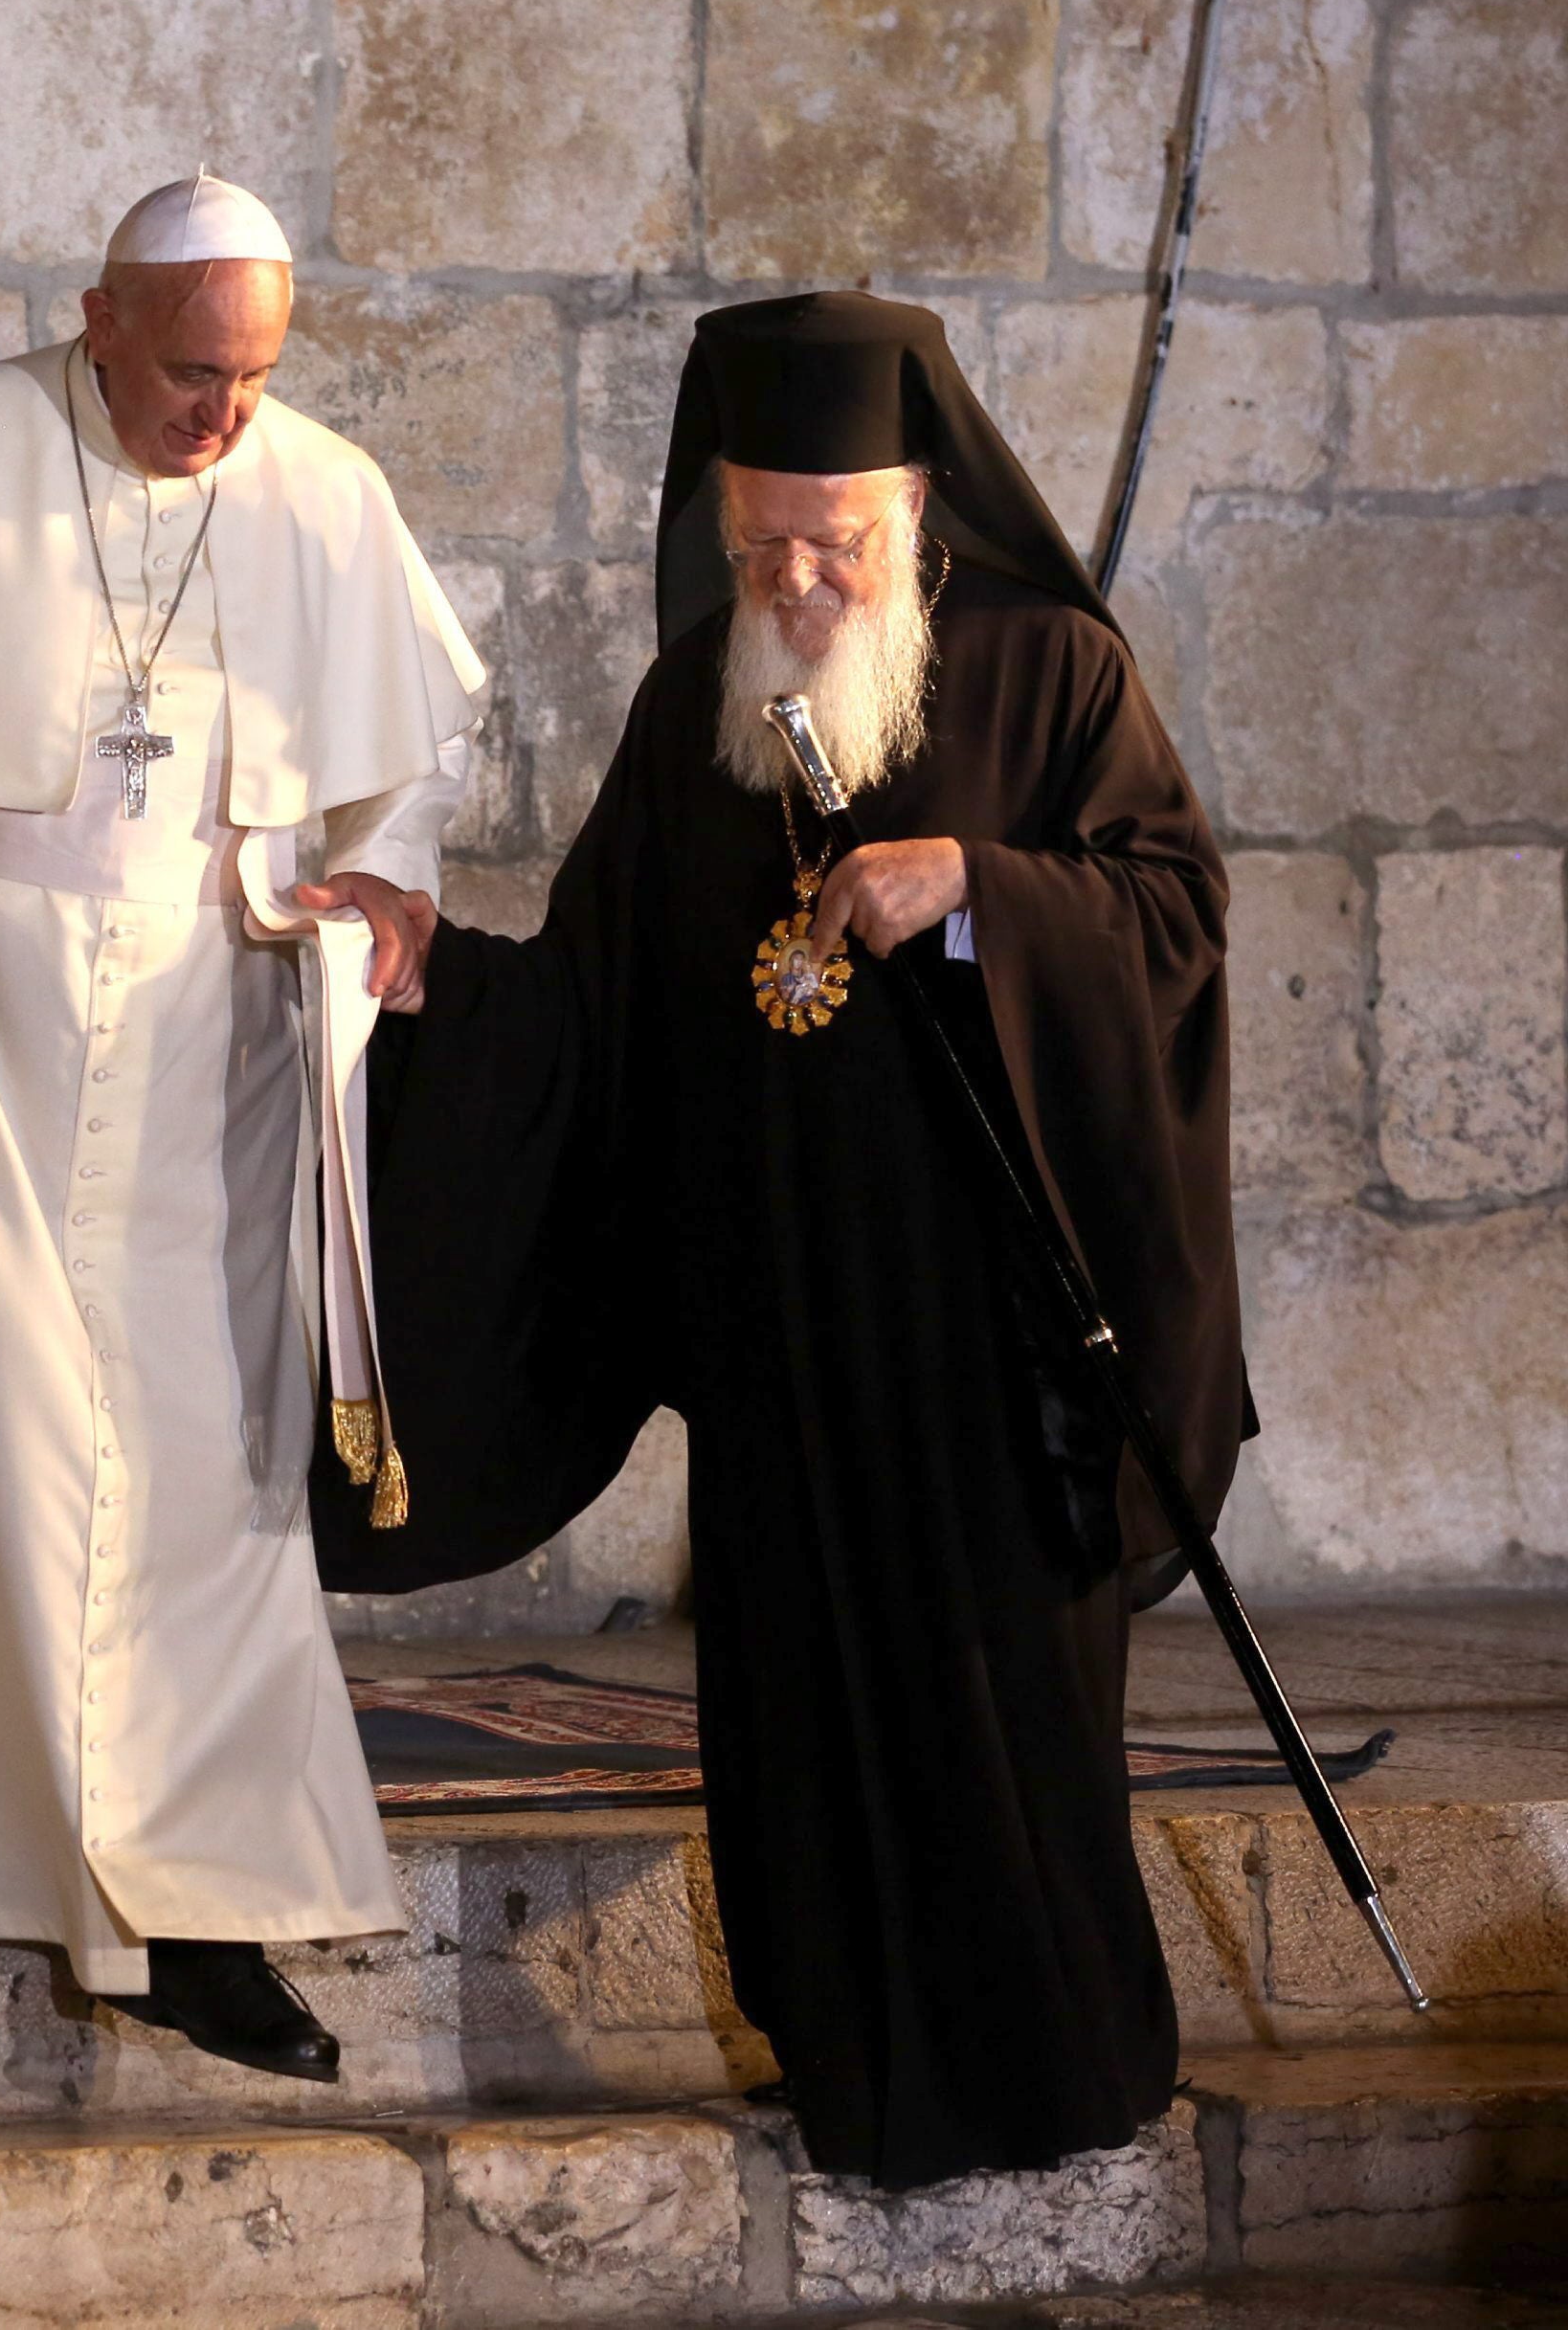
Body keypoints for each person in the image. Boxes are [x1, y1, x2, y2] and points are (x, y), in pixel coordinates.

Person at [326, 291, 1247, 2187]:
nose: (801, 580)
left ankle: (1045, 2083)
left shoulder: (1048, 670)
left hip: (988, 1340)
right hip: (778, 1333)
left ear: (913, 509)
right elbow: (596, 998)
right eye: (762, 544)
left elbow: (1168, 915)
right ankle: (847, 2070)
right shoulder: (696, 709)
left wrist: (984, 887)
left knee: (995, 1726)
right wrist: (434, 984)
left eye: (837, 543)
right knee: (802, 1735)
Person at [0, 172, 485, 2079]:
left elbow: (395, 775)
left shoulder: (319, 493)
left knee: (206, 1467)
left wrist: (382, 883)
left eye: (256, 375)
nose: (224, 415)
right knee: (5, 1439)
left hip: (216, 1027)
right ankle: (93, 1891)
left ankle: (185, 1887)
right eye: (193, 371)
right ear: (98, 316)